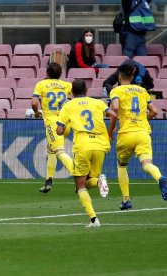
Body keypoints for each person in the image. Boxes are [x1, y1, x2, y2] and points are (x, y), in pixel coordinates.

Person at [57, 79, 115, 227]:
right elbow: (114, 114)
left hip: (83, 145)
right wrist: (110, 133)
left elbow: (60, 130)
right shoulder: (98, 102)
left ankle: (94, 219)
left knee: (80, 186)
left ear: (72, 92)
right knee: (89, 182)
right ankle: (98, 181)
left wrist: (64, 127)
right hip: (101, 145)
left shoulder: (68, 106)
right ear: (86, 90)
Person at [108, 63, 167, 210]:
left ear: (119, 77)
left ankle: (126, 200)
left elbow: (115, 108)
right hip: (142, 132)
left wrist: (112, 129)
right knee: (147, 164)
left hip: (126, 133)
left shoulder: (117, 90)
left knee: (121, 165)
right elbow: (154, 111)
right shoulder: (142, 91)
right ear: (133, 76)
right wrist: (142, 120)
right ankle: (160, 178)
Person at [31, 63, 74, 193]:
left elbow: (34, 102)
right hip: (66, 123)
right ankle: (48, 181)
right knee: (51, 149)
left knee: (59, 151)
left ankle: (81, 174)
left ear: (47, 73)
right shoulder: (66, 85)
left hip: (53, 124)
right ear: (60, 74)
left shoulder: (41, 84)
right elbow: (76, 98)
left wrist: (37, 112)